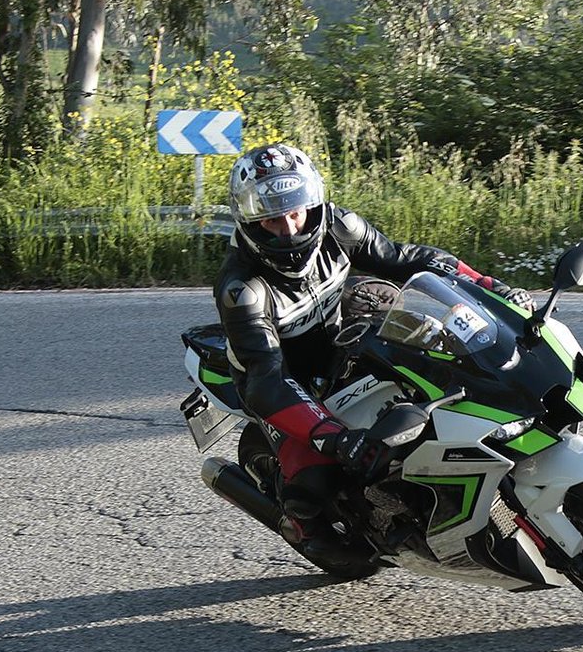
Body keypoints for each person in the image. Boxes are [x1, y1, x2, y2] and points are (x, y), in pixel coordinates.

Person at [214, 142, 534, 560]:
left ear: (312, 204)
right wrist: (333, 438)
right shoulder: (243, 290)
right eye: (273, 219)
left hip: (342, 340)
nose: (290, 229)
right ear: (251, 222)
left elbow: (405, 259)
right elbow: (266, 380)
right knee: (311, 486)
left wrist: (488, 286)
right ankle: (304, 527)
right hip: (281, 378)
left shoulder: (338, 226)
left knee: (440, 373)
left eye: (296, 213)